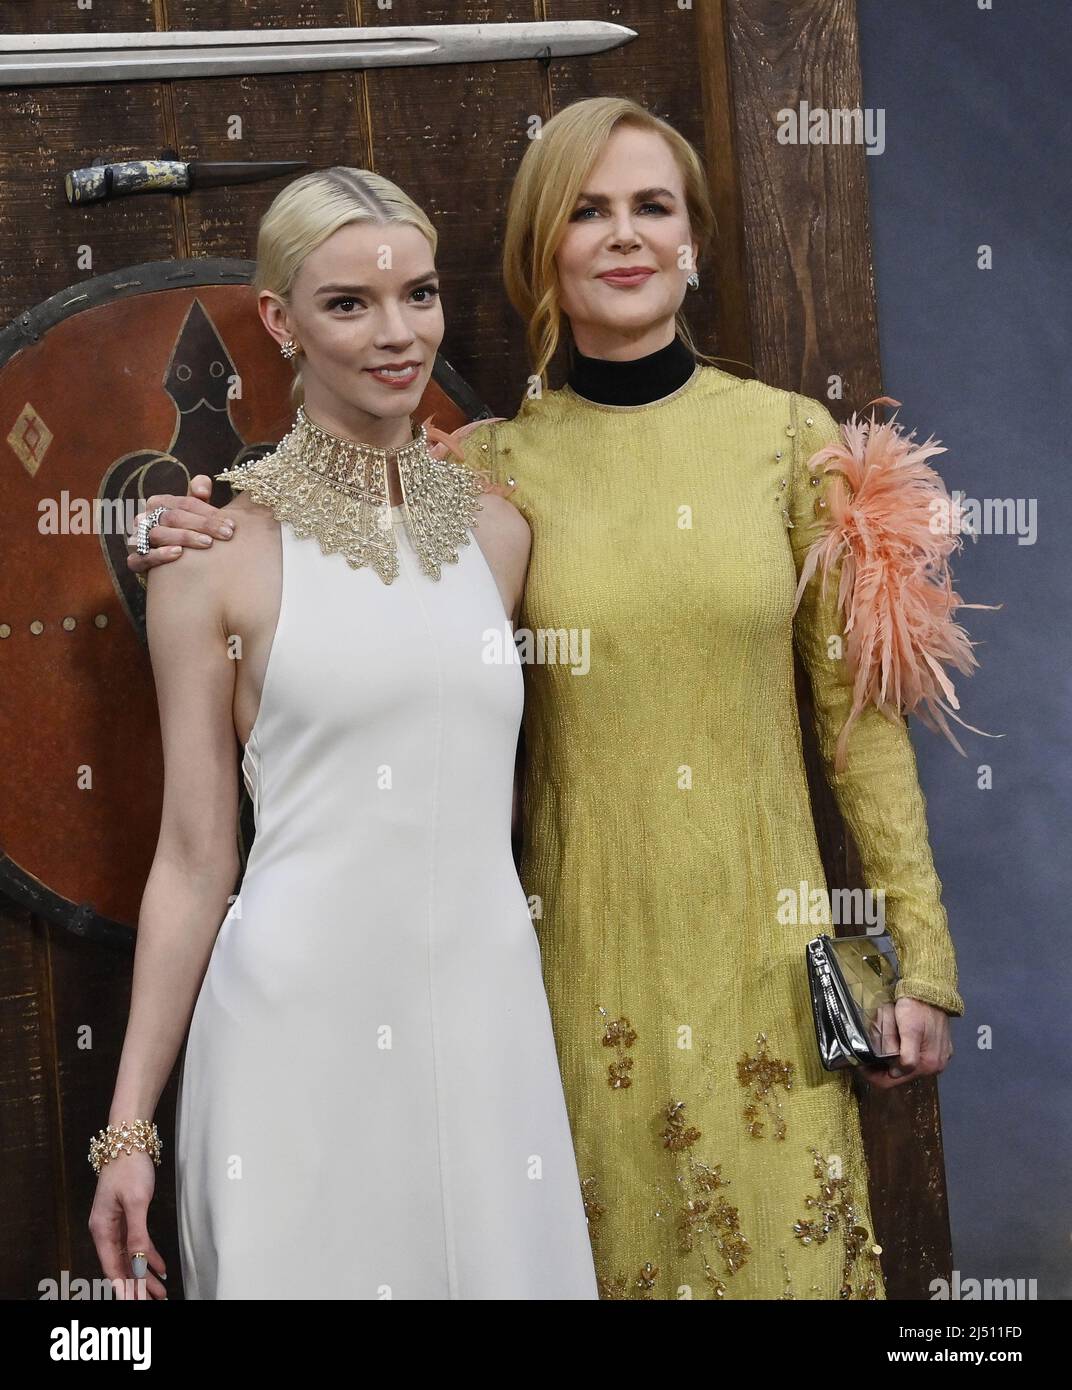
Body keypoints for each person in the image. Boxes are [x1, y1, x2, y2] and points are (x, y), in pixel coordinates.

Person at [129, 100, 971, 1301]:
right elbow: (345, 572)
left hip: (762, 964)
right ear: (541, 249)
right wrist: (197, 509)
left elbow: (861, 721)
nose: (622, 237)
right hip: (557, 976)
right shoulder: (484, 474)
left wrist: (921, 960)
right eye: (586, 211)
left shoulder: (793, 446)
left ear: (693, 241)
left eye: (652, 208)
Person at [91, 167, 599, 1301]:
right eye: (348, 304)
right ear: (279, 320)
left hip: (487, 1029)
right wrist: (128, 1126)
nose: (396, 333)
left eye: (417, 296)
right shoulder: (210, 556)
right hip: (292, 1039)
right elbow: (192, 856)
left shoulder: (500, 535)